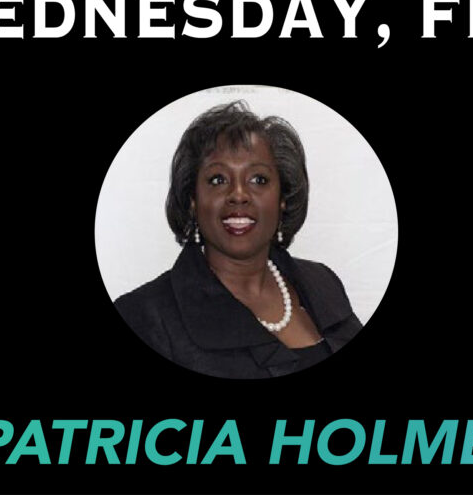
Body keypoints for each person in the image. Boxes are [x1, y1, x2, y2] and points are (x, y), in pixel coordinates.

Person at [114, 101, 360, 377]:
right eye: (218, 180)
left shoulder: (324, 284)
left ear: (282, 199)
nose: (239, 194)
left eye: (259, 179)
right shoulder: (142, 317)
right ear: (193, 199)